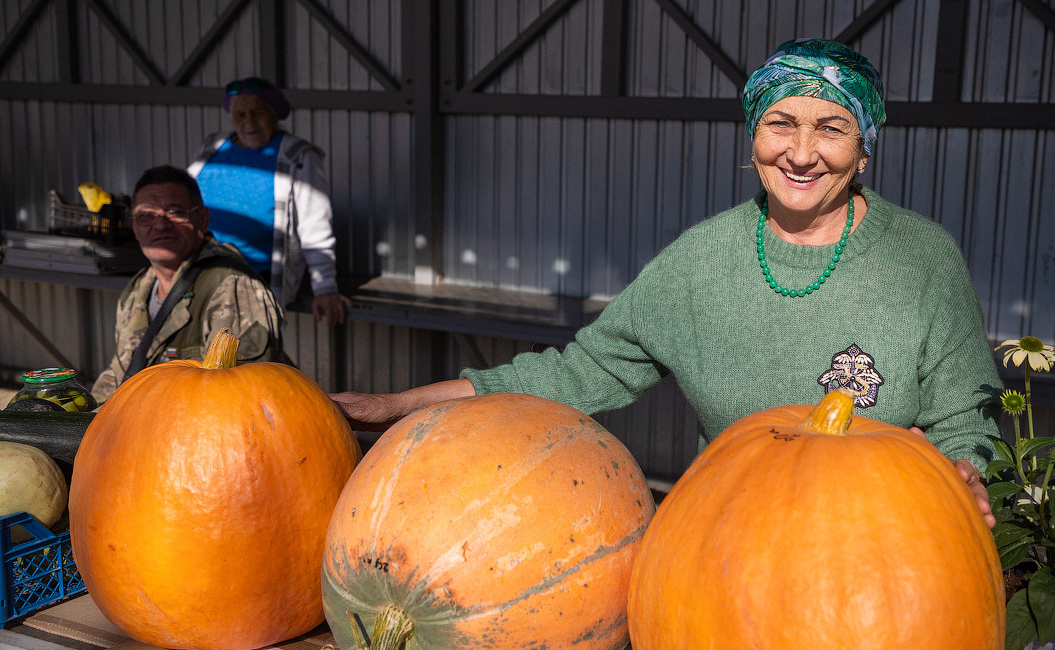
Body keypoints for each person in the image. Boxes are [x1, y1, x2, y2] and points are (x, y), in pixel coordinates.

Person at [331, 38, 1001, 525]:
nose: (801, 153)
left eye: (832, 128)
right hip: (721, 538)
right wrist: (394, 405)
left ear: (863, 147)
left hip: (879, 549)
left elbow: (964, 421)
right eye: (780, 124)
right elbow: (576, 375)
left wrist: (965, 478)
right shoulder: (700, 263)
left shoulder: (922, 261)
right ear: (752, 134)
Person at [91, 167, 285, 401]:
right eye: (146, 215)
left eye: (175, 212)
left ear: (202, 219)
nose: (161, 225)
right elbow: (118, 375)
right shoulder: (138, 287)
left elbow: (235, 399)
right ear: (134, 227)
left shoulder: (231, 285)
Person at [187, 77, 352, 326]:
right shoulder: (212, 147)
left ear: (274, 114)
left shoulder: (298, 156)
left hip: (257, 282)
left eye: (258, 113)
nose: (249, 122)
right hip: (201, 276)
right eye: (240, 114)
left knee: (250, 360)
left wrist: (325, 287)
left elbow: (315, 225)